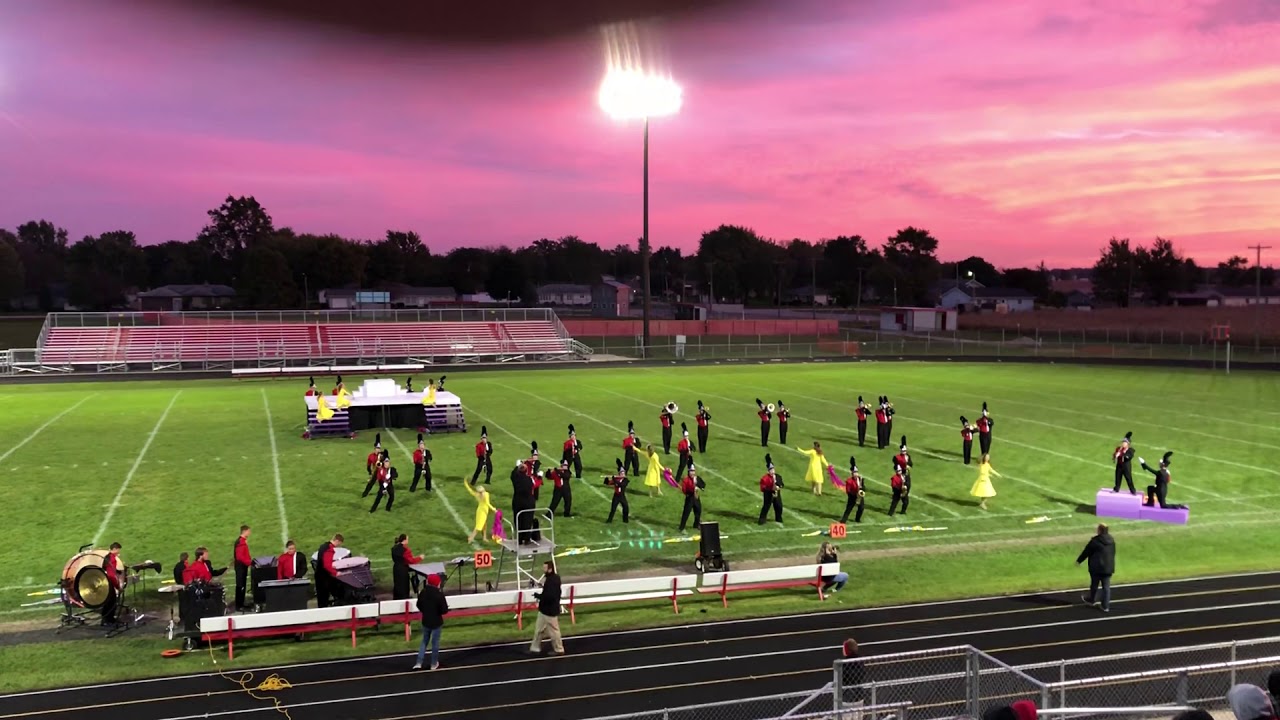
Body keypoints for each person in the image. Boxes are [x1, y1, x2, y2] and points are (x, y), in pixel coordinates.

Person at [413, 574, 449, 671]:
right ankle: (433, 664)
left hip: (426, 620)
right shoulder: (439, 594)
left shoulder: (423, 592)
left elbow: (418, 604)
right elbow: (444, 610)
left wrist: (425, 611)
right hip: (436, 622)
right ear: (437, 583)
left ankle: (418, 662)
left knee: (424, 641)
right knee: (435, 643)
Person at [1077, 524, 1115, 612]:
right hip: (1108, 567)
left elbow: (1086, 551)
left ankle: (1092, 599)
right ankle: (1105, 606)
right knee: (1106, 587)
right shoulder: (1112, 540)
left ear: (1100, 530)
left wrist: (1079, 560)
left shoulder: (1095, 541)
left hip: (1097, 567)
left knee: (1094, 584)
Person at [529, 561, 564, 656]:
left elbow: (550, 596)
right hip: (544, 609)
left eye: (545, 568)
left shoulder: (552, 580)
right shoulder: (552, 579)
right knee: (539, 630)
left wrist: (539, 596)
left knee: (554, 632)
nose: (543, 570)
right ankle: (534, 648)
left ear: (550, 569)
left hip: (550, 610)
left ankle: (559, 649)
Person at [314, 534, 343, 608]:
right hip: (324, 577)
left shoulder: (323, 546)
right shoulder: (329, 549)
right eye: (339, 543)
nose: (338, 545)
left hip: (319, 574)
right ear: (337, 541)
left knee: (321, 597)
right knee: (324, 596)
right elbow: (326, 565)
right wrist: (336, 573)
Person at [392, 534, 424, 600]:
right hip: (403, 569)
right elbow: (411, 561)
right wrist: (420, 558)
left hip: (396, 568)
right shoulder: (405, 550)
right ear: (404, 540)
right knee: (404, 584)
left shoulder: (394, 548)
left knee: (397, 584)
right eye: (407, 539)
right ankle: (404, 598)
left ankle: (397, 598)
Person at [839, 638, 866, 713]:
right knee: (858, 715)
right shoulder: (860, 660)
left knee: (846, 715)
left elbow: (842, 677)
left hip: (847, 695)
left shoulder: (844, 663)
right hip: (859, 693)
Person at [102, 542, 125, 626]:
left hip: (106, 581)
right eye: (118, 550)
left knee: (108, 601)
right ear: (114, 549)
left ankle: (108, 619)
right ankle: (108, 620)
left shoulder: (108, 557)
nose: (119, 552)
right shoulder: (112, 558)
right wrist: (118, 586)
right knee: (111, 602)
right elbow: (111, 575)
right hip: (110, 582)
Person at [758, 453, 784, 524]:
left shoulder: (778, 476)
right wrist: (770, 489)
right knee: (766, 507)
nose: (772, 472)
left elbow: (781, 484)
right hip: (768, 494)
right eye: (770, 470)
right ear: (768, 471)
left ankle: (778, 518)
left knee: (779, 506)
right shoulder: (764, 478)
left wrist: (778, 487)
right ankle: (762, 520)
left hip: (777, 493)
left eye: (773, 470)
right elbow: (762, 488)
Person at [678, 465, 704, 532]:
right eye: (691, 471)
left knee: (698, 510)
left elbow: (703, 485)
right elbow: (684, 490)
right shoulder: (686, 480)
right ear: (688, 472)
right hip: (689, 498)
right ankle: (681, 527)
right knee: (686, 512)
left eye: (693, 471)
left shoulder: (696, 478)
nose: (692, 473)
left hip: (696, 497)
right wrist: (692, 489)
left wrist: (699, 487)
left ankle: (696, 524)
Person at [232, 525, 252, 612]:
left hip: (242, 566)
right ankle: (239, 605)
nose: (249, 533)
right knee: (240, 585)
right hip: (241, 567)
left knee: (242, 585)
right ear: (244, 531)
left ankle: (241, 604)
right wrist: (249, 562)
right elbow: (240, 557)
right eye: (248, 531)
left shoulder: (242, 541)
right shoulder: (241, 542)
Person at [604, 458, 630, 523]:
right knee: (613, 509)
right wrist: (606, 481)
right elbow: (610, 483)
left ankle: (625, 520)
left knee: (626, 507)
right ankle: (609, 520)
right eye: (622, 473)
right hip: (616, 496)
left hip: (622, 496)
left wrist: (615, 480)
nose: (623, 474)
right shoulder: (616, 479)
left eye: (624, 473)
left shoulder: (625, 480)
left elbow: (621, 485)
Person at [841, 457, 865, 524]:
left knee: (861, 508)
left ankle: (857, 519)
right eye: (854, 472)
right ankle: (843, 520)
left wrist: (861, 491)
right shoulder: (849, 481)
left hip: (860, 496)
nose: (856, 474)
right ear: (852, 473)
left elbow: (864, 487)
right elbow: (848, 491)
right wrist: (854, 494)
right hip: (852, 497)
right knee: (849, 509)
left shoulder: (860, 479)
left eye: (856, 472)